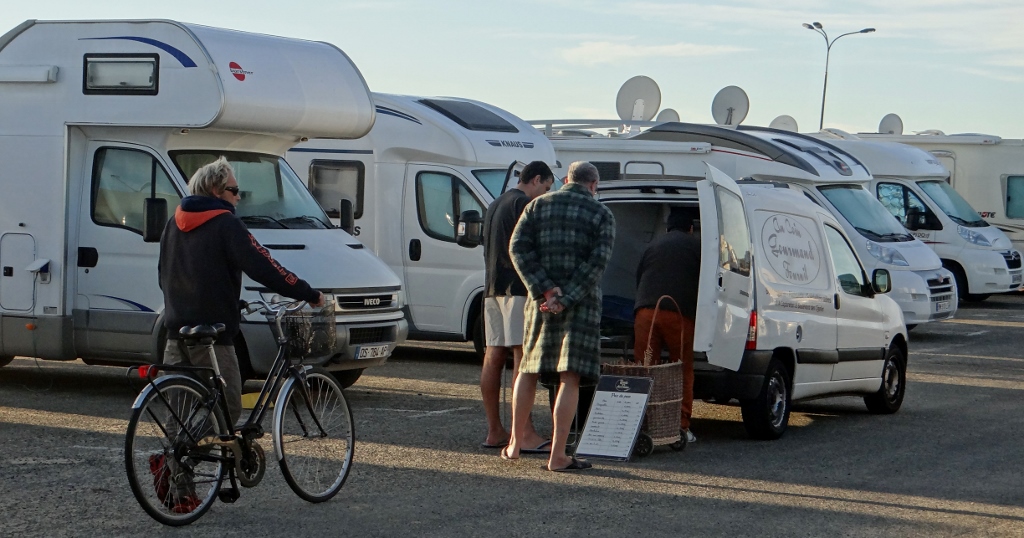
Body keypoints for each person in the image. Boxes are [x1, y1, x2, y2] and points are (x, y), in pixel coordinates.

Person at [154, 156, 323, 511]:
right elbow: (265, 265)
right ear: (217, 190)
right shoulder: (226, 224)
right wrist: (308, 292)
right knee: (228, 405)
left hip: (175, 330)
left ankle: (178, 485)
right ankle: (178, 458)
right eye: (235, 190)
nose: (238, 197)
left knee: (177, 409)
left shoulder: (174, 222)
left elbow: (163, 274)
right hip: (212, 337)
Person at [506, 161, 615, 472]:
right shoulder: (602, 214)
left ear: (567, 179)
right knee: (570, 376)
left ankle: (514, 444)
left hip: (541, 303)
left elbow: (517, 249)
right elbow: (597, 264)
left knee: (528, 369)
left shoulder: (536, 206)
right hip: (580, 306)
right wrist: (566, 298)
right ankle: (557, 455)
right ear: (593, 185)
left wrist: (545, 290)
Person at [479, 161, 554, 451]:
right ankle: (524, 433)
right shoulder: (523, 204)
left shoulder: (495, 203)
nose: (544, 195)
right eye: (546, 188)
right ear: (536, 179)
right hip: (518, 289)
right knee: (523, 358)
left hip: (492, 287)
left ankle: (494, 431)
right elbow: (529, 248)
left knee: (493, 355)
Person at [633, 207, 701, 444]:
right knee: (680, 369)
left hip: (645, 312)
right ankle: (680, 427)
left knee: (644, 369)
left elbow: (639, 276)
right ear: (690, 228)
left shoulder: (653, 245)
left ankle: (639, 423)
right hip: (677, 314)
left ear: (668, 227)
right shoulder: (697, 247)